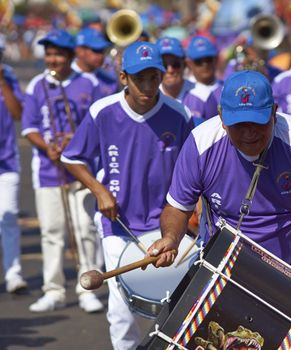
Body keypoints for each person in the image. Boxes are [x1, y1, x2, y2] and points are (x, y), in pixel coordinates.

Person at [149, 70, 291, 294]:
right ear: (222, 117)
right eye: (239, 124)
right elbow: (177, 207)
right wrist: (171, 238)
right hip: (218, 261)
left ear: (274, 112)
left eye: (258, 122)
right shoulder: (200, 143)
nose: (249, 133)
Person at [61, 41, 194, 350]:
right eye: (139, 78)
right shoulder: (102, 112)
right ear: (123, 78)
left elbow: (195, 165)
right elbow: (72, 158)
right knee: (122, 307)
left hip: (166, 225)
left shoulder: (180, 114)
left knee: (173, 298)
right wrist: (99, 189)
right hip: (117, 223)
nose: (147, 86)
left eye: (153, 77)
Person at [21, 29, 104, 313]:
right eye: (49, 54)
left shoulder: (88, 84)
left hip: (81, 171)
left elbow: (97, 127)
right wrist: (48, 147)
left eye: (58, 54)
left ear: (70, 56)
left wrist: (75, 141)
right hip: (47, 169)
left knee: (84, 229)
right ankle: (53, 290)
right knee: (52, 231)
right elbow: (29, 127)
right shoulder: (36, 85)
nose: (53, 59)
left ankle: (86, 289)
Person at [0, 38, 27, 293]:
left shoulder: (7, 76)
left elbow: (18, 113)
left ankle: (13, 275)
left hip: (6, 162)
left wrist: (2, 83)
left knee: (8, 219)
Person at [184, 35, 222, 124]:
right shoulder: (183, 91)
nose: (205, 64)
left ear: (215, 59)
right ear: (189, 63)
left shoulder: (227, 88)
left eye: (208, 59)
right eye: (198, 61)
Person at [73, 27, 118, 97]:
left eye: (102, 51)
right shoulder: (66, 77)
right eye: (96, 50)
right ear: (79, 51)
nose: (101, 56)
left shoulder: (110, 82)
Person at [156, 36, 194, 101]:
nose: (170, 70)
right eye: (163, 65)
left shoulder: (203, 96)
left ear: (184, 64)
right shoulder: (150, 98)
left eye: (175, 64)